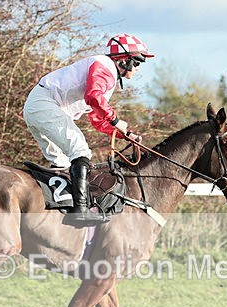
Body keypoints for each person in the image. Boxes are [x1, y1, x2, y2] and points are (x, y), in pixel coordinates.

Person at [23, 34, 154, 227]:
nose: (136, 70)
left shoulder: (106, 77)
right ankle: (80, 210)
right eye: (136, 63)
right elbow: (93, 97)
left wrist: (125, 134)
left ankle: (55, 213)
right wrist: (116, 120)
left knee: (62, 164)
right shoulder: (105, 66)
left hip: (39, 106)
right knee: (81, 151)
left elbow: (97, 119)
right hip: (45, 104)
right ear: (124, 60)